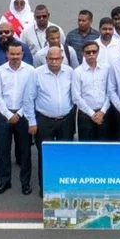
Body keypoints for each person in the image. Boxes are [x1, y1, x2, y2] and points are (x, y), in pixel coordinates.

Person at [0, 42, 37, 194]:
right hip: (4, 116)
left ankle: (25, 183)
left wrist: (19, 114)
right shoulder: (0, 71)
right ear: (7, 54)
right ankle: (5, 181)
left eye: (18, 54)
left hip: (24, 115)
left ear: (22, 54)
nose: (15, 57)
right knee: (3, 151)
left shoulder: (31, 71)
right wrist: (9, 114)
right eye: (12, 54)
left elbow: (32, 95)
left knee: (25, 152)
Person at [32, 45, 76, 176]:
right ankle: (45, 186)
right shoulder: (37, 73)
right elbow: (29, 98)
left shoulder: (69, 72)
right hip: (44, 120)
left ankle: (63, 183)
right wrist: (31, 121)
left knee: (65, 153)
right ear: (46, 59)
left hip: (65, 120)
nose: (54, 62)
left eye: (57, 59)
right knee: (45, 154)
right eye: (51, 59)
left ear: (62, 59)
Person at [72, 43, 111, 142]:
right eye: (88, 52)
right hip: (85, 115)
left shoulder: (106, 68)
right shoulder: (78, 72)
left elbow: (110, 92)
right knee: (86, 147)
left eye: (94, 51)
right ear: (83, 54)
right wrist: (92, 114)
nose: (91, 54)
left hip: (103, 113)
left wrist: (102, 111)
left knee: (104, 145)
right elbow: (76, 96)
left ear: (98, 53)